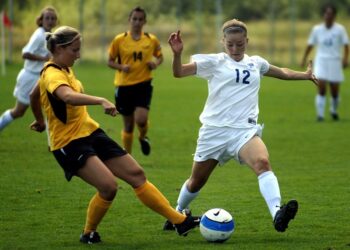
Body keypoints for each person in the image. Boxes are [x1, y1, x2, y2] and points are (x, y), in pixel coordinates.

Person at [29, 26, 199, 244]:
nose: (79, 55)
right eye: (75, 50)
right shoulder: (52, 73)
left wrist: (40, 119)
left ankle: (179, 221)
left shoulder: (61, 68)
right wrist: (100, 100)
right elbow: (68, 97)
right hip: (69, 143)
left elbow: (34, 94)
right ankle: (89, 232)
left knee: (136, 174)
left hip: (89, 131)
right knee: (108, 187)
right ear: (60, 49)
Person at [164, 19, 318, 233]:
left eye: (240, 44)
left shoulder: (256, 63)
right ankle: (178, 212)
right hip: (214, 131)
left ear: (247, 41)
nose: (235, 49)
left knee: (263, 162)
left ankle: (277, 213)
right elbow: (178, 72)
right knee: (196, 182)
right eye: (230, 45)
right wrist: (177, 53)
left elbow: (282, 72)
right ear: (223, 42)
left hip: (244, 132)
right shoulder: (215, 62)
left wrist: (305, 75)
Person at [107, 6, 163, 155]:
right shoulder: (119, 40)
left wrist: (155, 64)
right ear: (129, 20)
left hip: (143, 84)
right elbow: (110, 61)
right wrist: (120, 66)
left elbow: (160, 57)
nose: (137, 22)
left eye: (140, 19)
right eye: (134, 19)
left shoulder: (151, 40)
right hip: (124, 86)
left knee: (141, 119)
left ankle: (143, 137)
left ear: (145, 21)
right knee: (128, 125)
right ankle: (128, 157)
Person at [0, 7, 57, 131]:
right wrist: (43, 58)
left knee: (52, 109)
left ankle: (55, 145)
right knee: (18, 111)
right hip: (30, 77)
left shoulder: (50, 36)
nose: (50, 21)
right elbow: (25, 53)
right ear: (41, 20)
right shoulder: (39, 35)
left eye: (53, 18)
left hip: (41, 77)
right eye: (47, 18)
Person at [301, 4, 349, 121]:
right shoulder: (317, 29)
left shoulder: (340, 29)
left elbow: (346, 45)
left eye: (331, 14)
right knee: (321, 87)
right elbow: (310, 45)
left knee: (334, 91)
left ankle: (333, 110)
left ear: (334, 16)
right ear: (324, 15)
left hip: (335, 61)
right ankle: (320, 115)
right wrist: (304, 58)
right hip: (322, 61)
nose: (328, 16)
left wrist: (345, 59)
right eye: (326, 14)